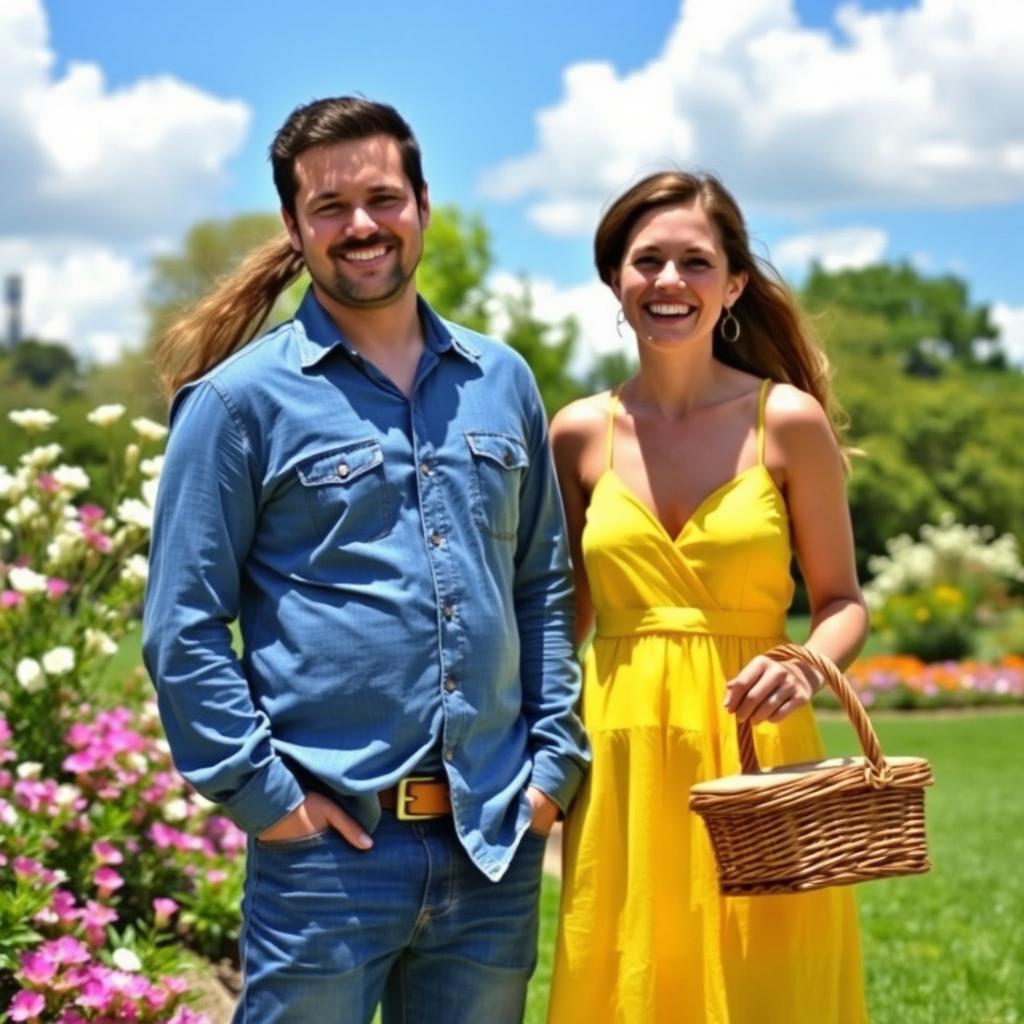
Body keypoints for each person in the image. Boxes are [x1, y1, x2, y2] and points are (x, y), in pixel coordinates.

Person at [142, 96, 588, 1024]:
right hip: (326, 859)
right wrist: (269, 802)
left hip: (493, 842)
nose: (361, 225)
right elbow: (181, 628)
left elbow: (542, 583)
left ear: (423, 203)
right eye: (329, 206)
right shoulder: (234, 404)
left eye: (382, 197)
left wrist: (553, 767)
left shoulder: (502, 382)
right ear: (294, 227)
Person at [545, 171, 869, 1024]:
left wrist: (804, 663)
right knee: (625, 977)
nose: (669, 281)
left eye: (695, 261)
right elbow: (561, 620)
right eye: (646, 260)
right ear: (616, 281)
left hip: (757, 742)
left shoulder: (788, 420)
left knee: (765, 984)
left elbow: (843, 602)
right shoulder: (576, 432)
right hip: (620, 754)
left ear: (732, 285)